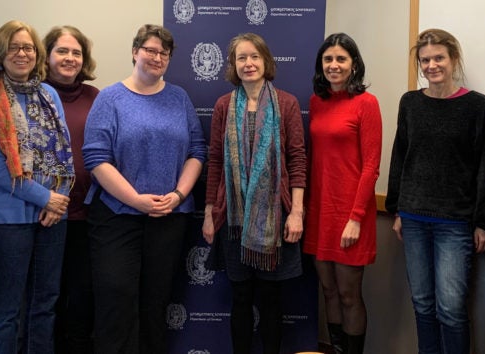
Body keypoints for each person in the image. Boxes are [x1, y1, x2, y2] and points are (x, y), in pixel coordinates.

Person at [83, 24, 205, 354]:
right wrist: (136, 200)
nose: (156, 57)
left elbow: (197, 151)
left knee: (155, 302)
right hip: (116, 216)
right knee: (116, 299)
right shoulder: (110, 98)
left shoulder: (178, 98)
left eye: (163, 53)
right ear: (135, 51)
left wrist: (179, 195)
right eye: (150, 50)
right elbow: (96, 158)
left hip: (169, 217)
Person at [385, 28, 485, 354]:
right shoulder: (410, 102)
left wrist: (484, 220)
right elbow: (400, 157)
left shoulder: (476, 106)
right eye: (425, 60)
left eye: (438, 58)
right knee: (422, 304)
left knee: (450, 309)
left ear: (453, 59)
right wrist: (397, 208)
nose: (432, 65)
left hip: (456, 222)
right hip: (414, 219)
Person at [0, 20, 72, 354]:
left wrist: (58, 202)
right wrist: (46, 198)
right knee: (8, 305)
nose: (22, 53)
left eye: (28, 47)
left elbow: (65, 156)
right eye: (13, 47)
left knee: (45, 302)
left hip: (52, 216)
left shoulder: (50, 94)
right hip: (8, 215)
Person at [202, 33, 306, 354]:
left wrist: (297, 212)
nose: (248, 63)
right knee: (242, 298)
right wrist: (209, 213)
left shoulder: (286, 103)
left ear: (266, 61)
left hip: (275, 219)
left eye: (254, 57)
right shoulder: (223, 105)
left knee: (271, 300)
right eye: (241, 58)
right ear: (233, 65)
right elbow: (216, 160)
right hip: (234, 220)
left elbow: (297, 158)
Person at [304, 32, 381, 354]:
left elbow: (371, 167)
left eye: (341, 59)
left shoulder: (366, 103)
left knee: (350, 295)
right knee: (328, 291)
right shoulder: (316, 102)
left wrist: (356, 218)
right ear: (321, 65)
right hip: (320, 212)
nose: (334, 65)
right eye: (328, 59)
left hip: (351, 215)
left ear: (353, 65)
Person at [42, 25, 99, 354]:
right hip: (43, 214)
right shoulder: (32, 94)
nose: (70, 58)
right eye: (62, 51)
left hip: (88, 216)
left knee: (81, 300)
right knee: (47, 299)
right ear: (47, 56)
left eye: (76, 52)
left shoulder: (96, 97)